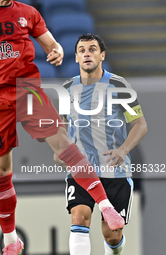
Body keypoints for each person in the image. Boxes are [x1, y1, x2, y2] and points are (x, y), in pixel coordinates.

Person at [0, 1, 126, 254]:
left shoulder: (28, 12)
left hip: (27, 90)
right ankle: (11, 239)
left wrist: (56, 51)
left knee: (64, 144)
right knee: (0, 170)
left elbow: (51, 44)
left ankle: (106, 205)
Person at [54, 33, 147, 255]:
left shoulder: (118, 85)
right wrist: (59, 150)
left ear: (102, 55)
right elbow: (60, 126)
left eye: (92, 49)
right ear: (76, 57)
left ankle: (113, 249)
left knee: (112, 234)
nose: (87, 53)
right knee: (79, 216)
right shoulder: (67, 89)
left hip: (115, 170)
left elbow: (140, 125)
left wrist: (123, 150)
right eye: (82, 50)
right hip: (81, 170)